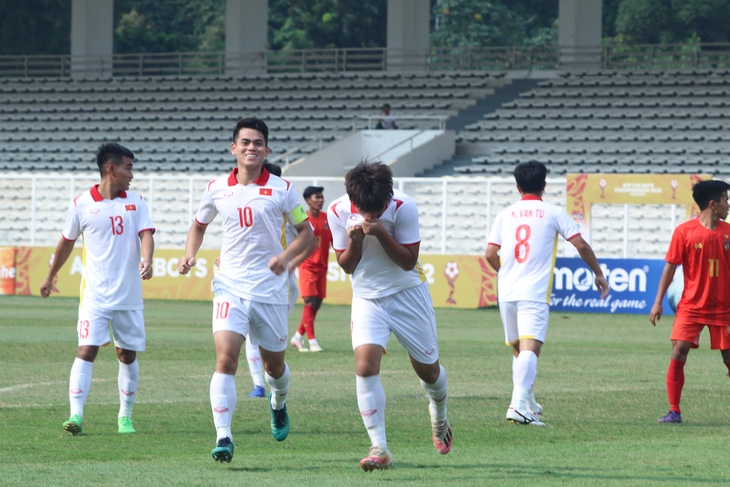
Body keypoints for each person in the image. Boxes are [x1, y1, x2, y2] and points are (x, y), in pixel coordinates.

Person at [177, 117, 314, 463]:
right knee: (226, 359)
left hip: (269, 290)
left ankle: (278, 403)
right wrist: (189, 254)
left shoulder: (283, 189)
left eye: (258, 143)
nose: (251, 148)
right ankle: (224, 436)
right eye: (245, 142)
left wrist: (285, 258)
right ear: (233, 148)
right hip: (229, 285)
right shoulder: (215, 188)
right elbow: (198, 225)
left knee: (274, 368)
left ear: (266, 150)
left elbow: (308, 235)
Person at [327, 160, 452, 472]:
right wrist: (355, 240)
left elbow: (408, 262)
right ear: (354, 201)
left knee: (429, 373)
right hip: (367, 298)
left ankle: (439, 413)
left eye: (378, 210)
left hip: (408, 294)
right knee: (365, 366)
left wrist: (380, 232)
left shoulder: (404, 206)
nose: (371, 216)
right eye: (365, 210)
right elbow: (346, 265)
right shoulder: (337, 210)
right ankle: (379, 447)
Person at [39, 143, 155, 436]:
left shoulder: (137, 202)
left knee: (126, 355)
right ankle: (75, 415)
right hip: (95, 296)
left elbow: (146, 234)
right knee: (86, 349)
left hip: (128, 295)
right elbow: (66, 242)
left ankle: (125, 417)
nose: (132, 174)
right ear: (111, 169)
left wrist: (147, 258)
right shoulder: (80, 204)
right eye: (128, 167)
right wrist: (51, 275)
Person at [485, 161, 609, 426]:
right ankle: (517, 405)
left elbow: (489, 253)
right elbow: (580, 245)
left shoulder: (504, 214)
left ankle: (528, 402)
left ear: (517, 186)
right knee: (531, 348)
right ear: (544, 185)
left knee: (519, 350)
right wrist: (598, 273)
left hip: (506, 291)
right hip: (533, 292)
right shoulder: (553, 212)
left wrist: (504, 273)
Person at [219, 162, 316, 398]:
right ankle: (258, 384)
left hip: (278, 284)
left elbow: (311, 240)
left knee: (265, 345)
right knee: (249, 336)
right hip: (243, 280)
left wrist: (289, 264)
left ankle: (272, 387)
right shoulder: (248, 205)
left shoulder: (286, 205)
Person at [650, 180, 730, 424]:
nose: (728, 205)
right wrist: (658, 302)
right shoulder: (684, 232)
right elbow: (670, 268)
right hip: (691, 307)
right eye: (726, 200)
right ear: (713, 204)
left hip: (724, 308)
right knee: (678, 352)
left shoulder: (728, 233)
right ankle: (674, 411)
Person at [291, 186, 333, 353]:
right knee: (310, 301)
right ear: (308, 201)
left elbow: (333, 242)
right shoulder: (303, 219)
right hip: (306, 266)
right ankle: (312, 341)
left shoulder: (327, 219)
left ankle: (297, 336)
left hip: (322, 266)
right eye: (317, 197)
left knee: (317, 303)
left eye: (322, 197)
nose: (321, 200)